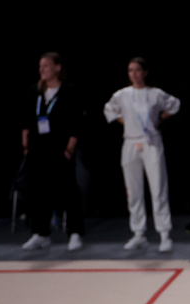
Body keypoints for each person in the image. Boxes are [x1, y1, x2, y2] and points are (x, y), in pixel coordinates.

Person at [103, 57, 180, 252]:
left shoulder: (154, 94)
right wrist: (127, 122)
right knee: (133, 190)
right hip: (130, 141)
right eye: (130, 70)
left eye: (137, 70)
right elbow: (109, 110)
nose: (134, 74)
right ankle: (138, 232)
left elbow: (174, 104)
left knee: (158, 187)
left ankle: (164, 233)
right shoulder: (122, 94)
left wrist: (160, 119)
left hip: (151, 142)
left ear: (145, 72)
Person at [21, 52, 85, 251]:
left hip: (60, 149)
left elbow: (77, 121)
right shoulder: (36, 92)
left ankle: (74, 233)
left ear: (58, 67)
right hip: (38, 149)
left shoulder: (69, 91)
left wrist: (69, 147)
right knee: (38, 193)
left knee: (68, 191)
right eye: (40, 66)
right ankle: (41, 233)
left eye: (46, 66)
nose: (41, 70)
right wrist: (25, 143)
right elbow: (27, 119)